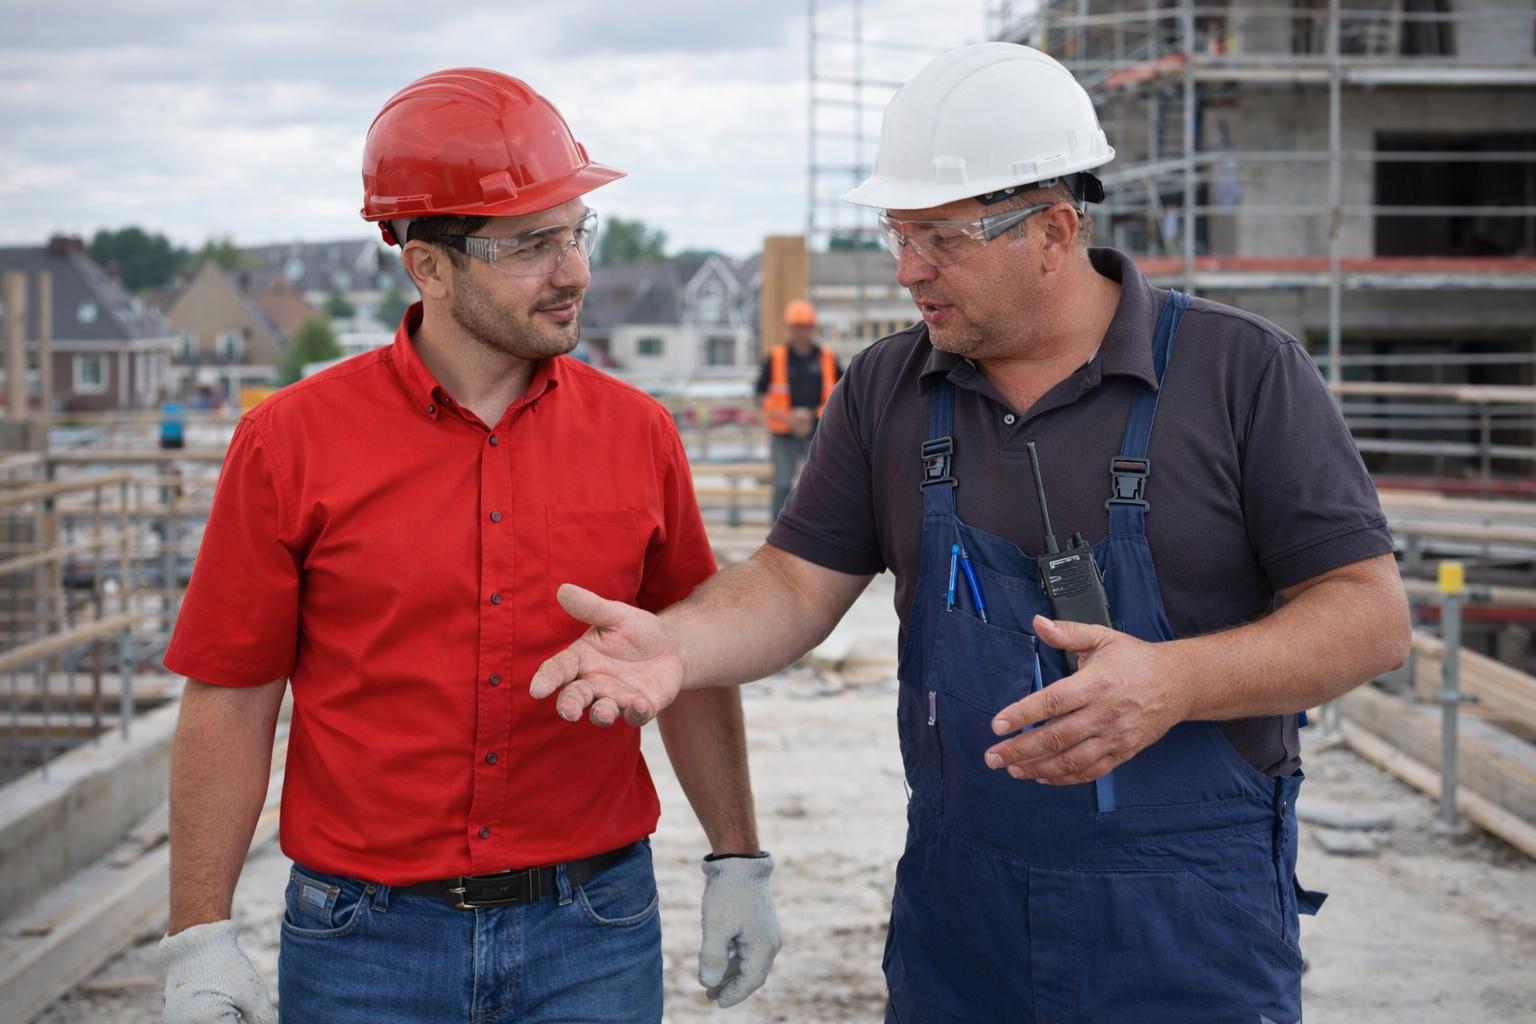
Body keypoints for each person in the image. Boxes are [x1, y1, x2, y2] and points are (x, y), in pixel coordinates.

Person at [531, 43, 1410, 1023]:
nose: (908, 270)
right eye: (898, 234)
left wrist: (1177, 681)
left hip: (1189, 928)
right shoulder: (889, 387)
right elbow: (793, 584)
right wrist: (679, 644)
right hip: (962, 930)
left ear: (1054, 228)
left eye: (941, 239)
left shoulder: (1242, 372)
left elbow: (1369, 616)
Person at [156, 68, 780, 1024]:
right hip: (363, 942)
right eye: (531, 244)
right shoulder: (289, 443)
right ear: (428, 265)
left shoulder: (639, 435)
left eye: (576, 232)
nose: (574, 271)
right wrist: (199, 935)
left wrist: (738, 858)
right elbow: (233, 693)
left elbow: (685, 662)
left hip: (593, 929)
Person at [755, 299, 841, 520]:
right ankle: (778, 531)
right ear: (789, 328)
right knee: (782, 485)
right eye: (796, 327)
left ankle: (818, 530)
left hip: (818, 432)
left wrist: (811, 415)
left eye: (804, 327)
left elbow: (842, 393)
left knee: (820, 484)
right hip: (784, 433)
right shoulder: (776, 357)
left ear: (812, 328)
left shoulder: (827, 357)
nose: (800, 332)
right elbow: (761, 394)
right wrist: (788, 417)